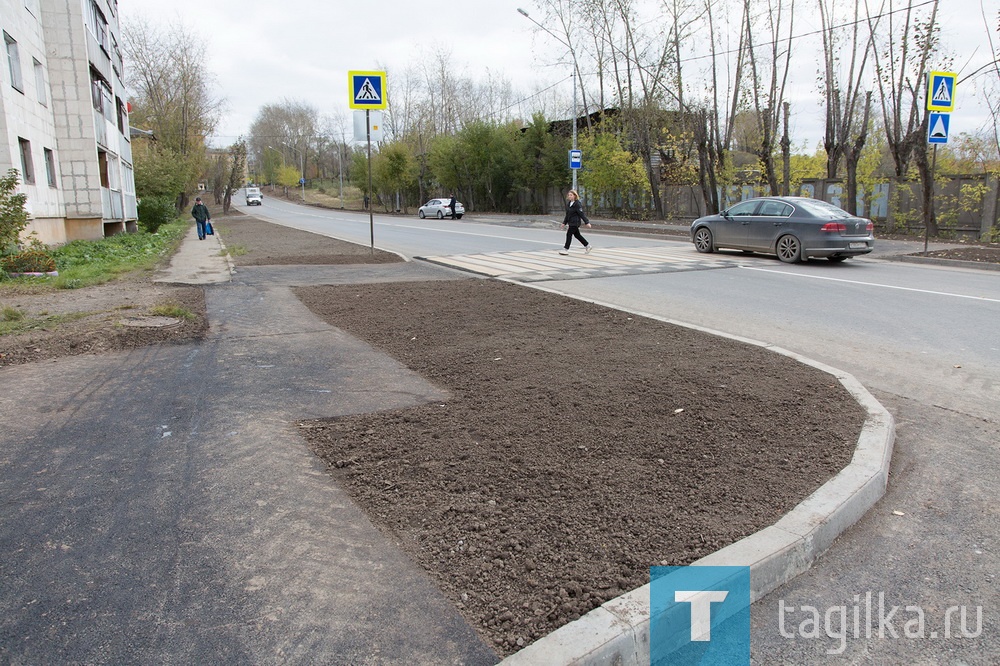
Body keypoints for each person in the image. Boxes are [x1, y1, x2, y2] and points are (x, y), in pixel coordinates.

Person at [560, 189, 592, 255]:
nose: (569, 196)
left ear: (575, 196)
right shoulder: (569, 204)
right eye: (569, 195)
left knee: (569, 234)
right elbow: (567, 214)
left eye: (571, 195)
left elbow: (581, 214)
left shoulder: (577, 204)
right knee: (577, 235)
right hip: (570, 222)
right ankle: (587, 246)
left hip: (575, 222)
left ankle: (566, 249)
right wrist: (564, 223)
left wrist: (587, 222)